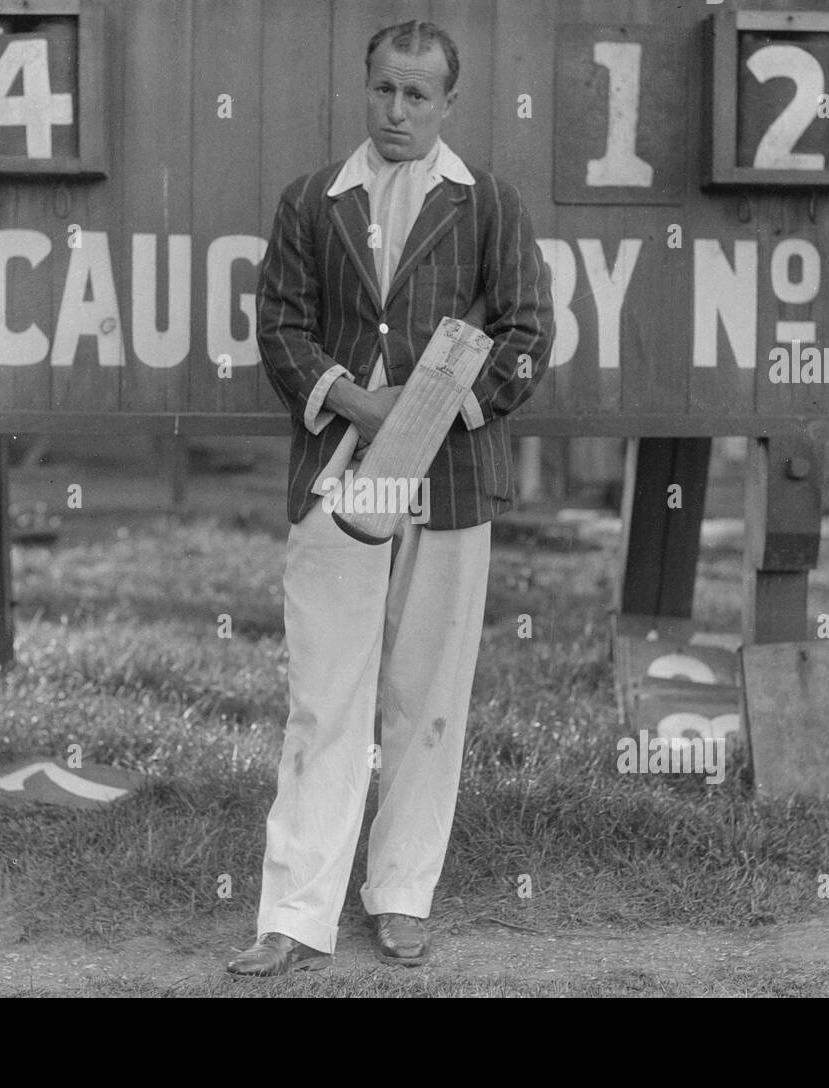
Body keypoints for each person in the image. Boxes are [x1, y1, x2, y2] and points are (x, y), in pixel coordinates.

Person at [231, 19, 553, 976]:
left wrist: (441, 407)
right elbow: (280, 330)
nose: (398, 110)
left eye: (419, 95)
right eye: (384, 91)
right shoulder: (310, 203)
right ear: (363, 89)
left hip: (447, 480)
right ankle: (294, 912)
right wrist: (361, 404)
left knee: (428, 697)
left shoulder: (486, 202)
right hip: (337, 472)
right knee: (325, 696)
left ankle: (403, 896)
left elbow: (527, 335)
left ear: (449, 103)